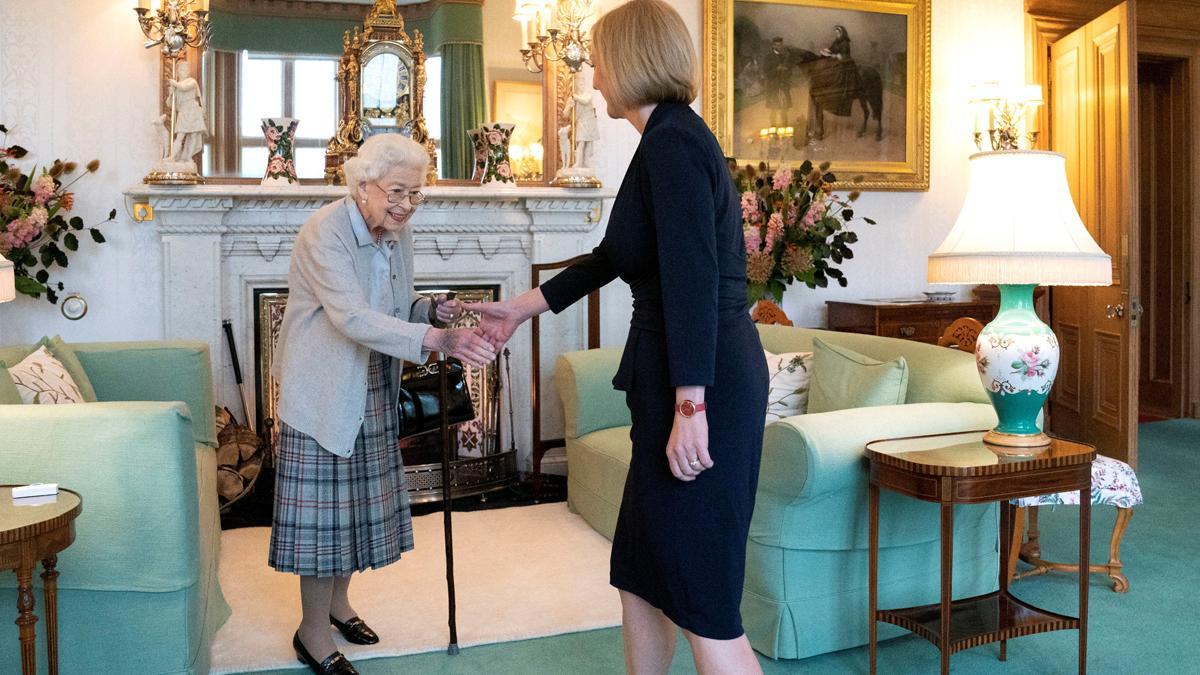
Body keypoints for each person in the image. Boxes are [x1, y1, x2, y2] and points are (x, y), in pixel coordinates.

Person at [469, 1, 768, 672]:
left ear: (632, 60)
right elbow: (614, 255)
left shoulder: (674, 144)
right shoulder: (662, 140)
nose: (594, 73)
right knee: (641, 572)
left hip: (703, 384)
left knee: (702, 599)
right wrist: (522, 307)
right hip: (676, 378)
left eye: (600, 58)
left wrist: (691, 406)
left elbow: (692, 280)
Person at [269, 134, 496, 675]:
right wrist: (437, 342)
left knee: (356, 508)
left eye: (416, 195)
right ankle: (311, 632)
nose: (405, 205)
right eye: (397, 191)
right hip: (324, 388)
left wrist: (431, 309)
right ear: (362, 185)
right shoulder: (324, 232)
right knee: (325, 519)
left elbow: (393, 305)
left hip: (372, 381)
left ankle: (340, 605)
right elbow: (350, 317)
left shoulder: (398, 233)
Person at [167, 60, 206, 163]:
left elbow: (184, 88)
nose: (185, 71)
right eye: (182, 69)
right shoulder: (176, 86)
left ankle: (188, 157)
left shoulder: (191, 81)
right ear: (178, 71)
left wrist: (175, 84)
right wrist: (171, 94)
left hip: (193, 110)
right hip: (183, 111)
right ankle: (172, 157)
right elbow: (170, 104)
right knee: (180, 135)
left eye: (187, 69)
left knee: (193, 135)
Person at [762, 36, 794, 127]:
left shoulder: (785, 57)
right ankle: (773, 129)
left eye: (781, 45)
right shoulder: (768, 58)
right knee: (774, 109)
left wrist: (786, 70)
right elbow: (766, 73)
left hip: (783, 87)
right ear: (773, 46)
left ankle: (785, 128)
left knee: (784, 110)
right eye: (777, 45)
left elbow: (790, 72)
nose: (779, 47)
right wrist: (777, 69)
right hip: (773, 88)